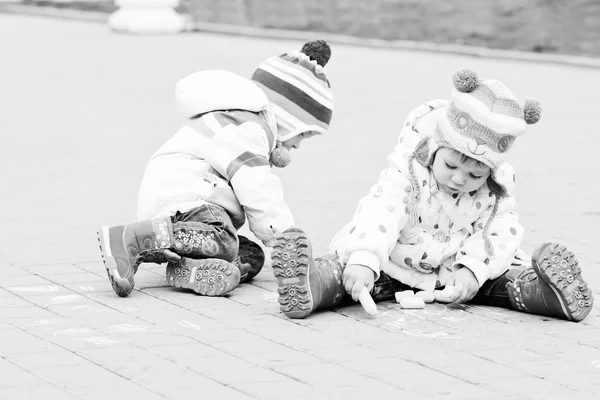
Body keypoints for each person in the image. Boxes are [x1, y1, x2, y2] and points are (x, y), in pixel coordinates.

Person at [272, 68, 594, 322]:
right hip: (397, 265)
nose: (459, 179)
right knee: (350, 273)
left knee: (502, 278)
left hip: (454, 272)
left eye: (475, 175)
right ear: (432, 149)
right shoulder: (408, 172)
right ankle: (313, 282)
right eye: (451, 165)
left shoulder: (495, 194)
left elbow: (500, 232)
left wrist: (471, 270)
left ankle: (545, 294)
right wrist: (365, 259)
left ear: (490, 172)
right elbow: (382, 209)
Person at [97, 39, 334, 298]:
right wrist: (283, 234)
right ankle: (131, 238)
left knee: (249, 255)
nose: (298, 145)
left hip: (188, 205)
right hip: (185, 199)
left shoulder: (243, 122)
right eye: (303, 135)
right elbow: (255, 186)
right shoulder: (249, 128)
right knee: (223, 239)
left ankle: (189, 268)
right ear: (289, 118)